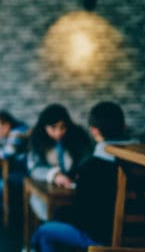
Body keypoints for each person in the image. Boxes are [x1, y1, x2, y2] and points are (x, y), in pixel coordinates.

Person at [31, 101, 132, 251]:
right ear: (124, 126)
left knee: (42, 232)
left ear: (94, 131)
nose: (59, 132)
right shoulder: (143, 163)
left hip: (101, 238)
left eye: (62, 127)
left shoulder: (91, 168)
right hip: (140, 238)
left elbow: (83, 219)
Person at [26, 104, 93, 221]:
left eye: (62, 127)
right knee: (49, 212)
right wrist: (55, 175)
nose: (59, 132)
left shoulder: (78, 135)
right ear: (44, 127)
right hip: (45, 188)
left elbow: (87, 158)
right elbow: (34, 168)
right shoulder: (36, 139)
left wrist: (81, 171)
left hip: (73, 188)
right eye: (53, 128)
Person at [0, 110, 30, 207]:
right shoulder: (15, 132)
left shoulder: (18, 133)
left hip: (24, 174)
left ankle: (7, 212)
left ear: (7, 126)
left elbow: (7, 153)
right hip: (13, 170)